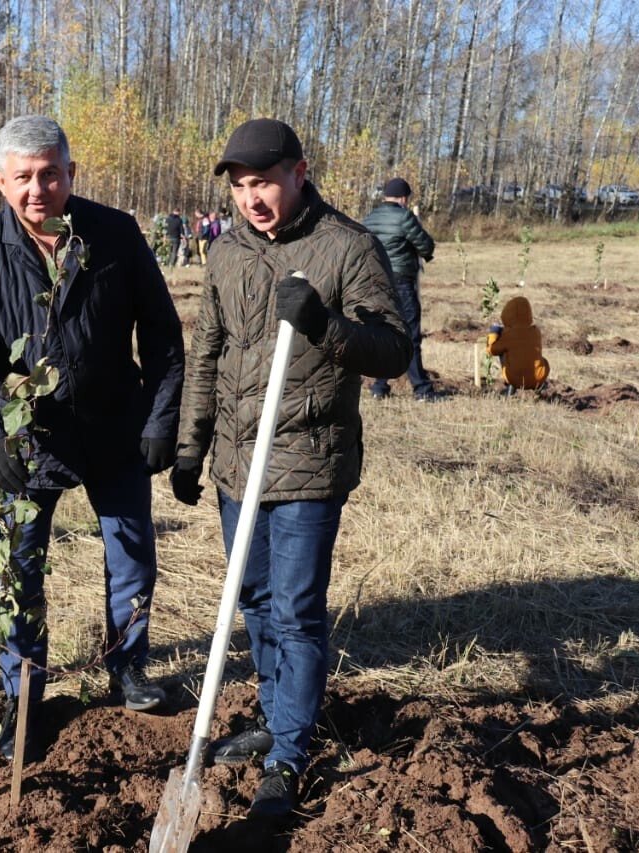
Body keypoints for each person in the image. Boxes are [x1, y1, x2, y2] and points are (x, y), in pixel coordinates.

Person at [170, 118, 411, 819]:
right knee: (253, 601)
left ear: (300, 172)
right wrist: (192, 444)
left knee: (297, 610)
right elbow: (207, 352)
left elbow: (394, 349)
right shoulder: (226, 252)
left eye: (265, 182)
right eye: (241, 186)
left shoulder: (346, 247)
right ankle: (278, 719)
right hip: (236, 467)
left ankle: (289, 753)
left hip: (308, 461)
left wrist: (324, 327)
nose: (253, 198)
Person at [0, 115, 186, 762]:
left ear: (71, 173)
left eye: (50, 173)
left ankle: (128, 666)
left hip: (115, 427)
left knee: (132, 555)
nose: (37, 189)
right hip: (27, 442)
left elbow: (162, 333)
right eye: (22, 177)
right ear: (0, 181)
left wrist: (161, 420)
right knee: (19, 565)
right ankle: (25, 689)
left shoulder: (115, 235)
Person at [362, 177, 438, 401]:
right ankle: (421, 389)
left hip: (376, 282)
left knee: (383, 331)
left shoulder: (370, 218)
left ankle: (379, 387)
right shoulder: (405, 217)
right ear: (404, 198)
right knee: (410, 333)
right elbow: (425, 245)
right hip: (401, 281)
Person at [487, 296, 549, 391]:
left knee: (503, 352)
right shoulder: (536, 331)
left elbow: (492, 351)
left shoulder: (508, 335)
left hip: (515, 380)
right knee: (541, 359)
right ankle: (540, 386)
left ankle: (510, 387)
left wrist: (493, 333)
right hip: (538, 377)